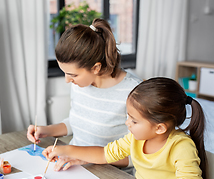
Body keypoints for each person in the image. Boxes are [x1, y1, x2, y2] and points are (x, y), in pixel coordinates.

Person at [43, 77, 207, 179]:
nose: (127, 123)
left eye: (134, 120)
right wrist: (66, 149)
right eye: (128, 116)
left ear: (159, 128)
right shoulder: (137, 138)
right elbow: (104, 154)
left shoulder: (182, 147)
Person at [27, 18, 142, 170]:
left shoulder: (134, 92)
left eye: (72, 75)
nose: (67, 80)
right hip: (74, 165)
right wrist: (46, 131)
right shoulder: (81, 84)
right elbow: (78, 122)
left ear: (95, 68)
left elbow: (136, 157)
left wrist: (81, 155)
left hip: (111, 175)